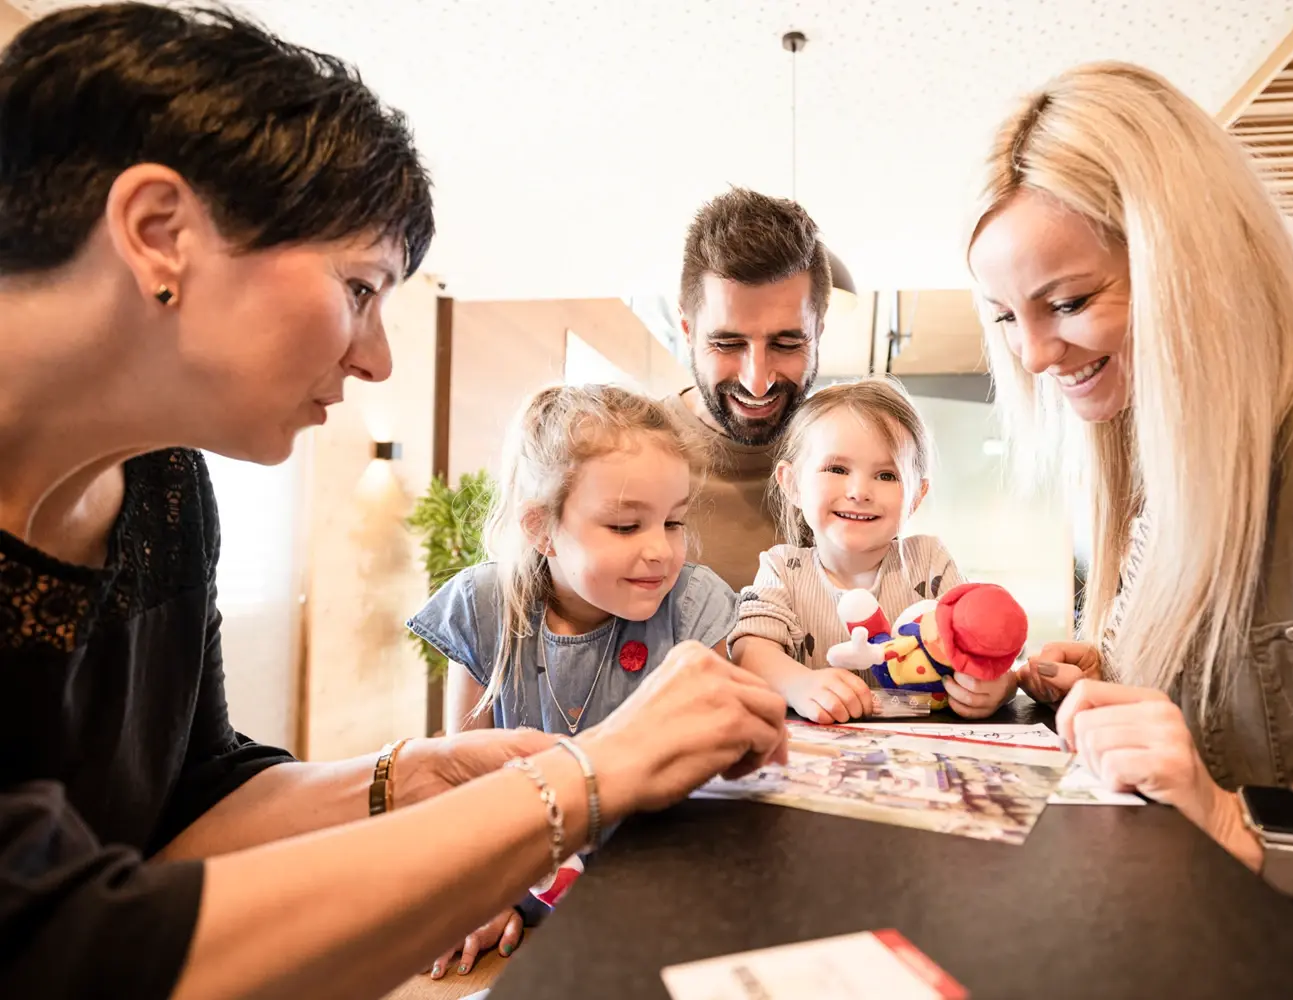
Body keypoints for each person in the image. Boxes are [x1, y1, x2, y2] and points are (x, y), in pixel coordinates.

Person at [0, 7, 786, 998]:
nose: (375, 356)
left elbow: (187, 802)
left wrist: (402, 777)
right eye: (361, 288)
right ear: (159, 234)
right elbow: (55, 948)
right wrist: (587, 776)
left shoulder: (163, 487)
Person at [968, 61, 1293, 990]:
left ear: (1190, 262)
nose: (1035, 353)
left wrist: (1249, 826)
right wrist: (1108, 683)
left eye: (1072, 302)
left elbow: (1237, 806)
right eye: (1008, 316)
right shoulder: (1152, 483)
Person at [407, 383, 738, 972]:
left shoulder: (692, 606)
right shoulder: (486, 610)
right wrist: (480, 897)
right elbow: (462, 778)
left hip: (660, 906)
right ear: (541, 527)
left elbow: (715, 789)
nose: (661, 551)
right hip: (527, 912)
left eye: (675, 521)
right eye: (625, 526)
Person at [730, 378, 1017, 723]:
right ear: (792, 484)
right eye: (837, 469)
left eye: (886, 475)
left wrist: (1002, 686)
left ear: (915, 497)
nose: (859, 491)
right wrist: (799, 684)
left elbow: (982, 645)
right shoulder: (782, 568)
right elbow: (750, 649)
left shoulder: (929, 560)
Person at [666, 187, 832, 590]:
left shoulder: (849, 453)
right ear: (688, 331)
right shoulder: (625, 450)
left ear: (819, 332)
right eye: (727, 344)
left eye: (787, 344)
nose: (757, 381)